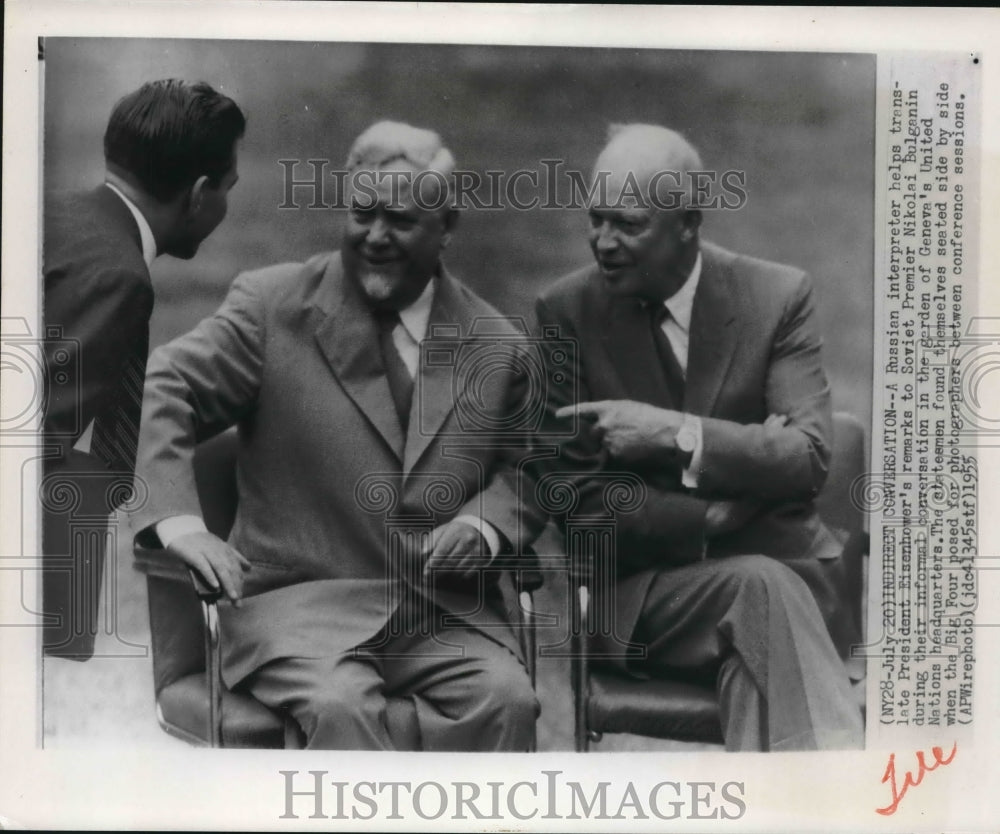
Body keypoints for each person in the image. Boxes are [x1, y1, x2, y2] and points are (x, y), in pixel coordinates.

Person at [131, 121, 547, 751]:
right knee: (341, 705)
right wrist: (182, 525)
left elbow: (532, 470)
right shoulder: (271, 307)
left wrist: (485, 526)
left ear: (447, 228)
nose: (376, 237)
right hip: (298, 611)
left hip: (442, 615)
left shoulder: (497, 343)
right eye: (362, 213)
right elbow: (165, 385)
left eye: (401, 220)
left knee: (509, 700)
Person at [535, 123, 864, 751]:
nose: (603, 242)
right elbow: (574, 503)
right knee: (759, 587)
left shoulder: (775, 297)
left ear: (688, 223)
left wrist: (678, 435)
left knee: (756, 669)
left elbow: (809, 456)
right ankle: (849, 794)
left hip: (780, 599)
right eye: (595, 219)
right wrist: (713, 510)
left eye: (627, 224)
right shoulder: (564, 314)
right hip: (644, 601)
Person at [42, 79, 245, 658]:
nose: (224, 206)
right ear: (200, 193)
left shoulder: (55, 212)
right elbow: (25, 444)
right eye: (227, 189)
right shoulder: (119, 277)